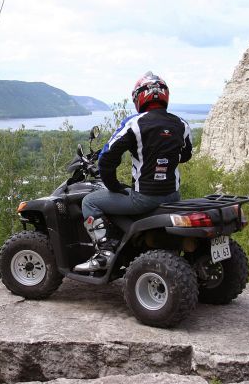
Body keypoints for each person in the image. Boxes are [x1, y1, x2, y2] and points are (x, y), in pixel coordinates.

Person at [74, 71, 193, 272]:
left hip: (144, 198)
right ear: (165, 95)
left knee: (90, 201)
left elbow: (106, 158)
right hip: (173, 196)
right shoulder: (181, 124)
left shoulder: (135, 124)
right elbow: (186, 155)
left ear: (139, 97)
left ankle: (104, 253)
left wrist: (112, 185)